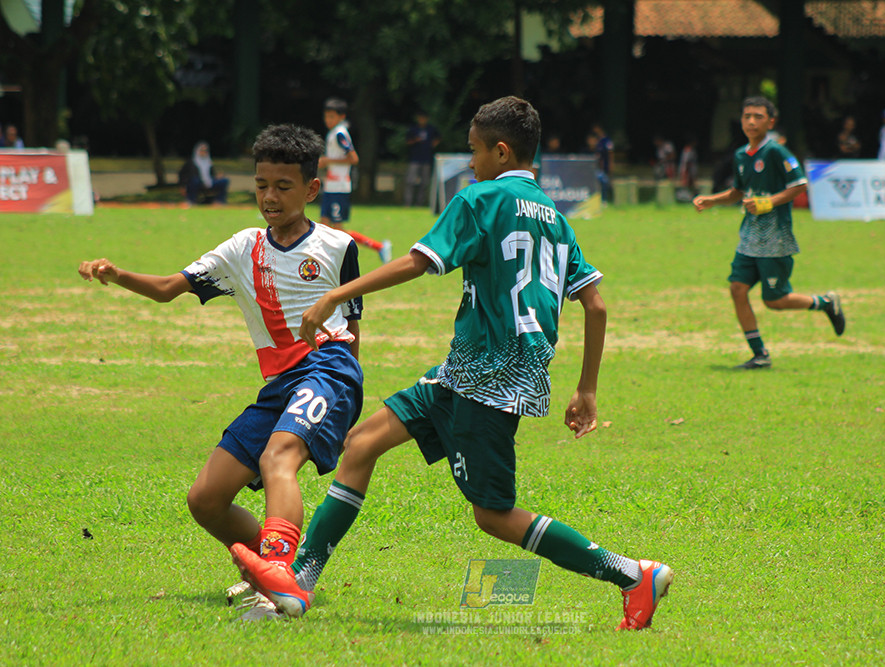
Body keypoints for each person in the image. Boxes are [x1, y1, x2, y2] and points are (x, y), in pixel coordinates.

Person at [230, 96, 674, 630]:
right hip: (474, 370)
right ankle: (301, 582)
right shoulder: (556, 216)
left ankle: (631, 573)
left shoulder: (480, 199)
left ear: (502, 152)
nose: (470, 162)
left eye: (474, 151)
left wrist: (334, 296)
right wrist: (587, 389)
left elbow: (419, 262)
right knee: (363, 443)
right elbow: (596, 303)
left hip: (487, 378)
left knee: (493, 515)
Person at [78, 124, 366, 616]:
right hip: (282, 384)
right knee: (205, 499)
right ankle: (267, 567)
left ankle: (278, 580)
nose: (269, 197)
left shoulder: (338, 248)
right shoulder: (242, 248)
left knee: (279, 457)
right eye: (260, 186)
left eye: (283, 187)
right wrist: (118, 274)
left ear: (311, 189)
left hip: (329, 369)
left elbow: (352, 327)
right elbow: (171, 286)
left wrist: (346, 408)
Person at [692, 96, 846, 370]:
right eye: (747, 116)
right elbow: (738, 192)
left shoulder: (777, 152)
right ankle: (759, 355)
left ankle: (824, 302)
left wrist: (768, 202)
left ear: (770, 121)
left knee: (774, 301)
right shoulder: (741, 155)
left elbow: (799, 185)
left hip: (775, 239)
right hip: (749, 238)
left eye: (758, 116)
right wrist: (711, 200)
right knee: (737, 289)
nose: (751, 121)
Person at [320, 97, 392, 263]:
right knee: (323, 227)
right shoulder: (333, 133)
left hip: (339, 187)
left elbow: (353, 158)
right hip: (331, 186)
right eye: (326, 116)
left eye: (331, 116)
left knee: (338, 231)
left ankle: (378, 246)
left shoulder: (340, 134)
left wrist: (327, 161)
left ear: (341, 116)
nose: (327, 120)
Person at [403, 111, 440, 207]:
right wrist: (415, 140)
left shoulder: (431, 129)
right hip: (414, 159)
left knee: (424, 182)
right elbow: (407, 141)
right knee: (410, 181)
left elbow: (438, 138)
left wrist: (433, 144)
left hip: (426, 159)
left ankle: (420, 203)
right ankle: (408, 202)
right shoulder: (413, 129)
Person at [177, 141, 230, 206]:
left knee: (224, 181)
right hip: (197, 183)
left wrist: (217, 176)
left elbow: (211, 175)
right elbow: (183, 175)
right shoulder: (191, 162)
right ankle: (191, 201)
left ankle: (219, 201)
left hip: (209, 182)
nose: (204, 152)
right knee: (195, 180)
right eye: (202, 150)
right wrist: (183, 185)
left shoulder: (208, 162)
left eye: (205, 151)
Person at [588, 123, 613, 203]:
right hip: (590, 170)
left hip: (600, 169)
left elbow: (609, 155)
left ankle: (604, 200)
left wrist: (610, 166)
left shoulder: (604, 143)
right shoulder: (587, 148)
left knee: (604, 180)